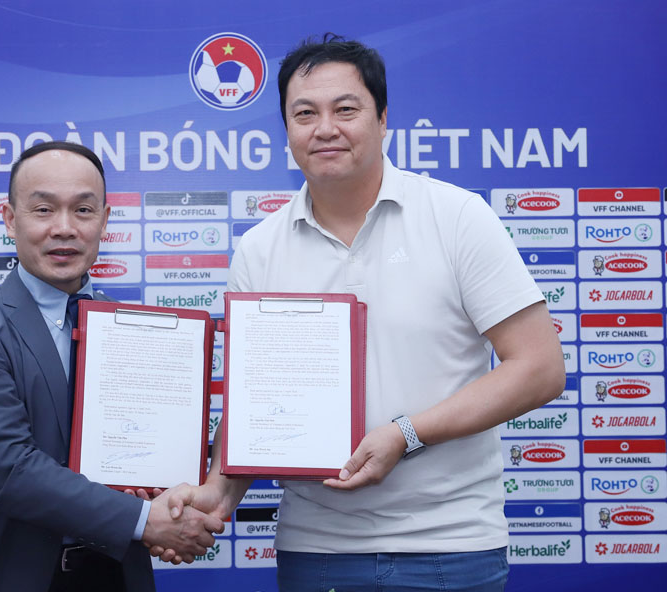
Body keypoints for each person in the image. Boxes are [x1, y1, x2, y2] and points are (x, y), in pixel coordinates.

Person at [158, 36, 565, 591]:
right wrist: (217, 491)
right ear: (286, 129)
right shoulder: (260, 248)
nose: (325, 128)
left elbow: (539, 368)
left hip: (450, 546)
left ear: (382, 119)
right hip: (316, 550)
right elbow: (256, 406)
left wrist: (406, 434)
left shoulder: (457, 217)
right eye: (304, 114)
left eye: (345, 109)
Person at [0, 141, 223, 592]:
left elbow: (139, 453)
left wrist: (160, 493)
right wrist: (148, 522)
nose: (63, 229)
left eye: (83, 211)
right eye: (43, 210)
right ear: (10, 219)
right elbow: (11, 470)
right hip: (9, 576)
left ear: (104, 221)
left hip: (115, 574)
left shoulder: (129, 330)